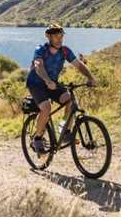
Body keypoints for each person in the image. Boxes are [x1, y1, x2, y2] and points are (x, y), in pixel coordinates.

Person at [26, 23, 96, 153]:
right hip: (36, 83)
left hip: (52, 83)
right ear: (49, 37)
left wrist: (91, 77)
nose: (59, 39)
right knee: (46, 108)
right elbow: (38, 66)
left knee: (70, 100)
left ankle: (64, 130)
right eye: (56, 36)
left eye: (61, 36)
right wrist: (47, 80)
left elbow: (79, 65)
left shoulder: (64, 51)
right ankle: (37, 138)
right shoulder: (41, 49)